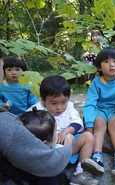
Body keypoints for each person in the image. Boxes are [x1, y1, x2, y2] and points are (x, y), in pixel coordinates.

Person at [0, 50, 74, 185]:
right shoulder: (6, 126)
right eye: (7, 69)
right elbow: (50, 164)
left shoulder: (26, 87)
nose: (13, 73)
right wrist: (68, 145)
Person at [27, 75, 99, 185]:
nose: (59, 107)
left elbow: (77, 122)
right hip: (49, 150)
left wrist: (66, 131)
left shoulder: (69, 107)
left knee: (88, 136)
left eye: (63, 102)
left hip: (69, 143)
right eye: (54, 103)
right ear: (42, 100)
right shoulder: (36, 110)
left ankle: (80, 172)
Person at [82, 48, 115, 176]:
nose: (111, 64)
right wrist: (89, 124)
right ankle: (97, 156)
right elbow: (90, 103)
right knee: (99, 124)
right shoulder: (96, 82)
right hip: (100, 110)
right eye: (106, 61)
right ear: (100, 67)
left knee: (114, 125)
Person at [20, 108, 73, 185]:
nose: (57, 134)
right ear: (44, 143)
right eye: (55, 132)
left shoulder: (20, 152)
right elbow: (61, 160)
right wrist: (68, 145)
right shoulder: (47, 161)